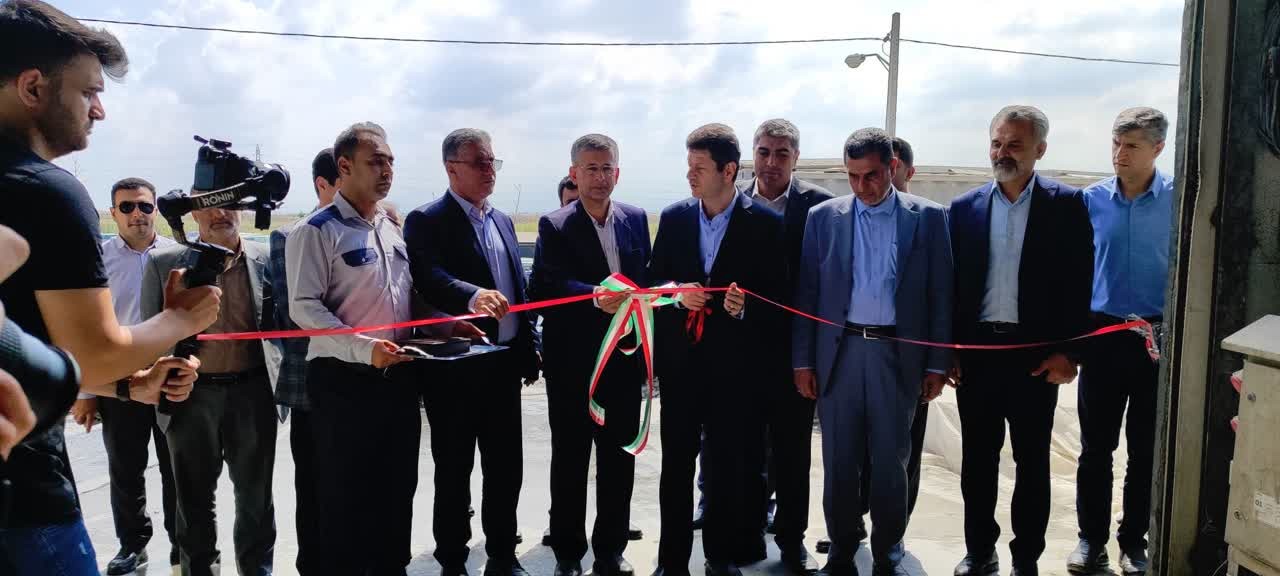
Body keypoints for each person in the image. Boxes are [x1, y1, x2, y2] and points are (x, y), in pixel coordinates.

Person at [0, 2, 214, 571]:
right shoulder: (47, 192)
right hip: (25, 506)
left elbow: (20, 349)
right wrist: (181, 318)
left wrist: (128, 387)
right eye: (88, 93)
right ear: (32, 87)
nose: (99, 110)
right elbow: (90, 354)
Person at [792, 128, 953, 576]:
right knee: (839, 460)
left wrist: (937, 363)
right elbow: (808, 293)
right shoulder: (824, 218)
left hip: (897, 356)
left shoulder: (928, 218)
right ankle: (842, 551)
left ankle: (888, 552)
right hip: (839, 356)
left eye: (872, 176)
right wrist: (803, 361)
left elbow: (941, 295)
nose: (862, 186)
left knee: (891, 461)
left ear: (893, 167)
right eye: (853, 176)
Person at [949, 105, 1095, 576]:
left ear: (1040, 150)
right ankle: (979, 551)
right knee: (978, 462)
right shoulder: (964, 208)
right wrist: (950, 350)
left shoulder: (1066, 205)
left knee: (1032, 463)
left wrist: (1070, 353)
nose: (1002, 153)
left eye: (1015, 144)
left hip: (1035, 359)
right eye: (997, 143)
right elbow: (952, 286)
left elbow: (1080, 284)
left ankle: (1025, 558)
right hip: (978, 357)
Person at [288, 122, 431, 574]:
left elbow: (405, 297)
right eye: (376, 162)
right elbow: (305, 308)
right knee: (345, 498)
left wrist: (449, 326)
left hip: (398, 378)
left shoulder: (389, 228)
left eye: (390, 161)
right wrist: (364, 348)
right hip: (344, 383)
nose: (387, 171)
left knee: (397, 489)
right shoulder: (316, 230)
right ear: (345, 167)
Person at [649, 123, 784, 576]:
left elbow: (780, 297)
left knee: (728, 467)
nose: (690, 175)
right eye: (688, 166)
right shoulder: (674, 218)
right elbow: (653, 282)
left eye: (699, 168)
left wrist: (747, 307)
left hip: (735, 373)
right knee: (675, 466)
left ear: (729, 171)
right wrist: (675, 293)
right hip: (682, 368)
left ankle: (720, 557)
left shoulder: (765, 224)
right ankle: (671, 561)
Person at [405, 128, 540, 576]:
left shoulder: (502, 220)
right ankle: (453, 559)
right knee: (454, 470)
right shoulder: (427, 220)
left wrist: (529, 348)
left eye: (492, 162)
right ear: (451, 168)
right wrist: (472, 295)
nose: (489, 171)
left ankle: (502, 554)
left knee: (506, 468)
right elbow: (429, 277)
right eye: (479, 163)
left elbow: (517, 289)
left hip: (503, 365)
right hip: (456, 369)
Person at [529, 134, 650, 576]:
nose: (600, 178)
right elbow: (548, 285)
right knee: (571, 459)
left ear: (618, 172)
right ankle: (567, 553)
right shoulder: (554, 224)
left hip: (624, 361)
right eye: (591, 169)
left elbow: (646, 278)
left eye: (607, 169)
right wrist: (594, 295)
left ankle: (610, 550)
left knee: (619, 459)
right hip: (573, 366)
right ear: (574, 173)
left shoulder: (636, 218)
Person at [141, 203, 282, 576]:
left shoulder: (267, 258)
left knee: (256, 500)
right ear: (192, 212)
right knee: (193, 503)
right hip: (189, 397)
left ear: (243, 209)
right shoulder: (164, 263)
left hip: (253, 394)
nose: (220, 213)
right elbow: (147, 339)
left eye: (229, 204)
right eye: (208, 205)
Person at [1069, 107, 1171, 576]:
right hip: (1103, 339)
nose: (1119, 153)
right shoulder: (1089, 202)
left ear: (1158, 148)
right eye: (1116, 142)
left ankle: (1134, 542)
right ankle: (1091, 542)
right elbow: (1073, 273)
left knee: (1145, 449)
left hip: (1157, 342)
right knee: (1096, 449)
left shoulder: (1179, 200)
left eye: (1131, 145)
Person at [736, 118, 833, 575]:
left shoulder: (821, 207)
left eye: (781, 154)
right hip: (743, 354)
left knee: (794, 452)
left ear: (796, 158)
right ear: (752, 155)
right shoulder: (732, 201)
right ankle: (748, 534)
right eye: (763, 152)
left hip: (797, 354)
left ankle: (792, 541)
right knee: (746, 453)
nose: (771, 162)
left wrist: (811, 355)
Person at [72, 177, 183, 575]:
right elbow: (84, 329)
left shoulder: (179, 255)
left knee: (177, 468)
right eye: (127, 207)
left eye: (145, 206)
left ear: (156, 210)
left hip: (171, 379)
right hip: (121, 382)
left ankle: (182, 544)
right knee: (125, 469)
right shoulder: (98, 260)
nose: (137, 214)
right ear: (113, 213)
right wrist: (86, 392)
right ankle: (132, 546)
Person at [266, 146, 339, 576]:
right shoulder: (291, 237)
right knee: (313, 486)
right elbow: (293, 316)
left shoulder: (377, 229)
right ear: (323, 185)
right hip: (311, 385)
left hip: (365, 384)